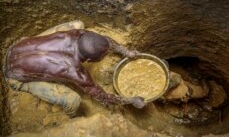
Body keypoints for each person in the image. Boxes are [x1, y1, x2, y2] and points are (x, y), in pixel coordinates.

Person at [4, 21, 145, 117]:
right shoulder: (75, 71)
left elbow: (104, 40)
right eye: (103, 56)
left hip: (18, 48)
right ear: (89, 61)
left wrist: (126, 52)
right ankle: (73, 117)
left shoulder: (76, 34)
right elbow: (102, 96)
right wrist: (130, 100)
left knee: (77, 22)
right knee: (73, 100)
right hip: (14, 75)